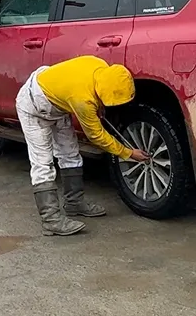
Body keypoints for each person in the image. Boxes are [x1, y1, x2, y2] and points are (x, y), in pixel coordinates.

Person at [15, 55, 150, 237]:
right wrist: (128, 153)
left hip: (57, 100)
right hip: (34, 106)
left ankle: (74, 203)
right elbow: (96, 136)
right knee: (43, 163)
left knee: (71, 154)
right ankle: (51, 220)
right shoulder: (83, 100)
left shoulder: (100, 67)